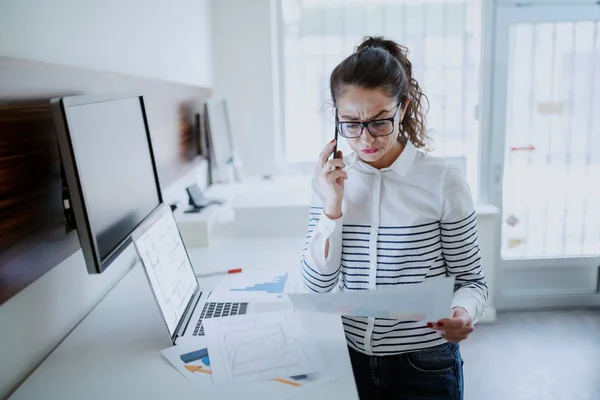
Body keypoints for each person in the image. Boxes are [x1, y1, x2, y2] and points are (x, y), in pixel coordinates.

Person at [300, 36, 488, 400]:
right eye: (350, 123)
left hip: (424, 363)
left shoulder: (442, 180)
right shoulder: (329, 180)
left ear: (402, 108)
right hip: (350, 357)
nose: (365, 138)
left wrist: (462, 312)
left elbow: (472, 281)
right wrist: (332, 206)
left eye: (379, 121)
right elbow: (317, 287)